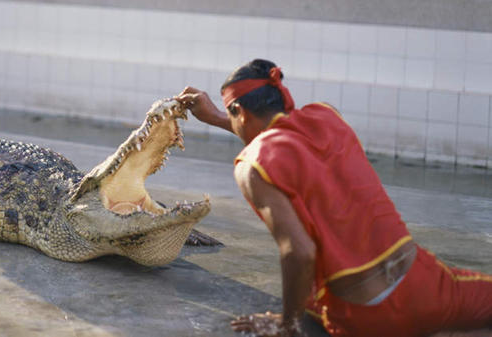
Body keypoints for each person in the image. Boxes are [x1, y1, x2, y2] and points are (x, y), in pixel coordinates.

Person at [177, 59, 492, 337]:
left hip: (365, 314)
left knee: (317, 296)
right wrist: (221, 116)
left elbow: (299, 252)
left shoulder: (251, 166)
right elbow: (282, 134)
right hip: (422, 285)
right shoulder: (328, 115)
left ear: (239, 113)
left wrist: (288, 325)